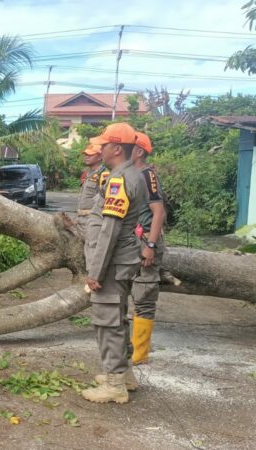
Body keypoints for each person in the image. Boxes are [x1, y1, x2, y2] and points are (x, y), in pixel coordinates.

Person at [81, 123, 148, 404]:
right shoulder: (129, 175)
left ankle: (115, 384)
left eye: (104, 144)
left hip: (112, 264)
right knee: (117, 318)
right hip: (122, 261)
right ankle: (124, 374)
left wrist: (95, 272)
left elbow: (110, 230)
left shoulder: (120, 180)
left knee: (107, 322)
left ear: (117, 148)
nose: (100, 149)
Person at [129, 132, 167, 365]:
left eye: (129, 147)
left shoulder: (147, 175)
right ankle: (135, 346)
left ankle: (140, 354)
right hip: (133, 242)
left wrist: (151, 245)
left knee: (144, 295)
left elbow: (159, 212)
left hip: (146, 243)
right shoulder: (131, 175)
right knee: (132, 293)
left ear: (139, 151)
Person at [77, 143, 106, 232]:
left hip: (93, 221)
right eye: (86, 154)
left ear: (100, 157)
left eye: (90, 154)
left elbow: (104, 201)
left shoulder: (103, 174)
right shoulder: (87, 174)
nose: (87, 157)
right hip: (81, 220)